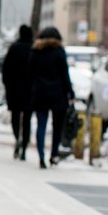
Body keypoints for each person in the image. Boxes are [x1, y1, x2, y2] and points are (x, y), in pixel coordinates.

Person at [28, 27, 74, 169]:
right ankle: (54, 154)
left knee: (41, 125)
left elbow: (29, 73)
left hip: (40, 93)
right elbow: (65, 74)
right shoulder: (59, 52)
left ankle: (41, 156)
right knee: (57, 126)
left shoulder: (35, 52)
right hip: (57, 94)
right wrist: (70, 92)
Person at [2, 24, 34, 160]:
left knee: (15, 116)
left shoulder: (14, 48)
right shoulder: (34, 49)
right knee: (27, 119)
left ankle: (17, 137)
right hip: (30, 89)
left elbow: (6, 69)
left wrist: (7, 84)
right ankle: (24, 147)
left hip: (14, 89)